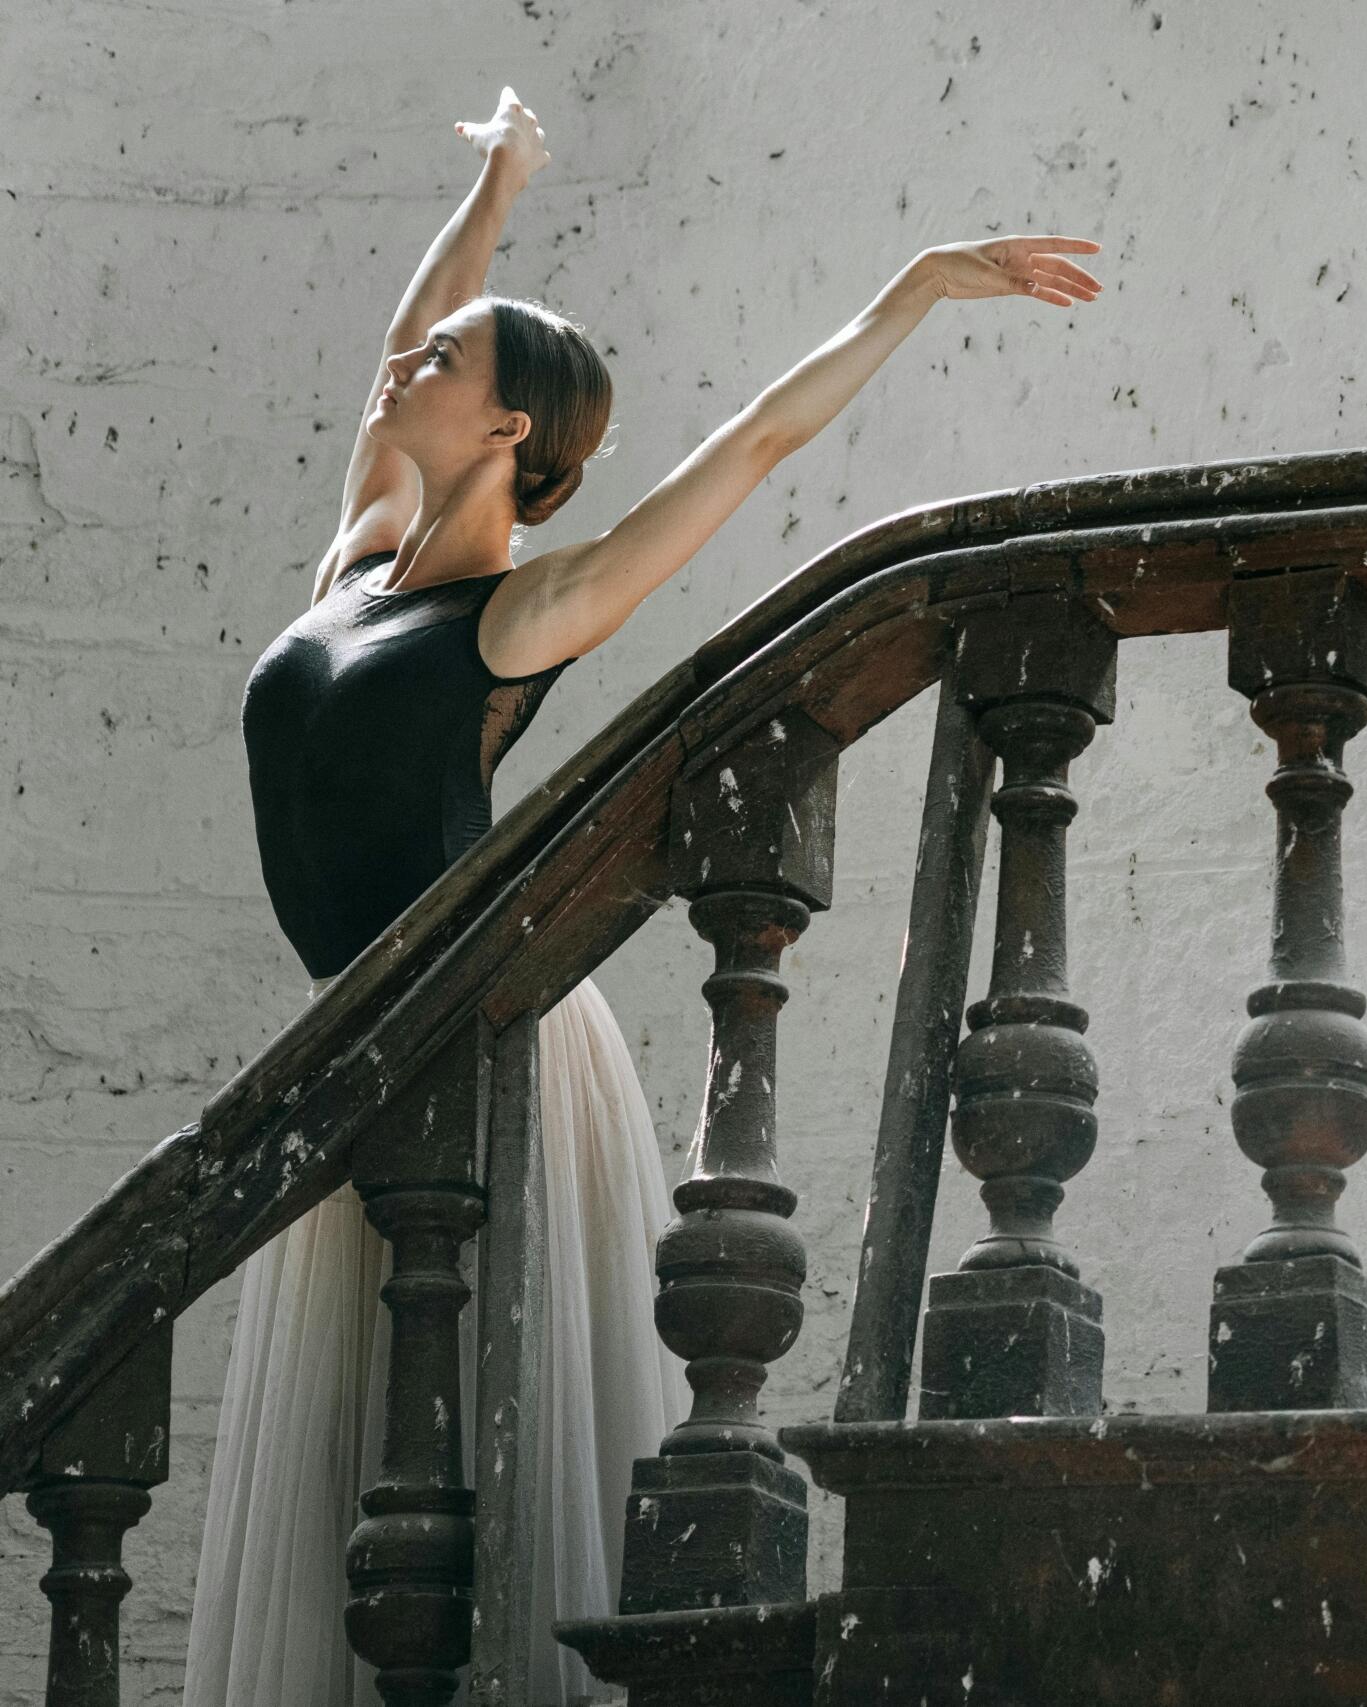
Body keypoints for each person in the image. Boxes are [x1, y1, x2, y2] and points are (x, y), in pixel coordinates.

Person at [188, 86, 1105, 1706]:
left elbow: (744, 447)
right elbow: (399, 336)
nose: (406, 366)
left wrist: (910, 291)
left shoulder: (518, 616)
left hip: (476, 1036)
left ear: (507, 434)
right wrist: (499, 184)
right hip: (353, 1046)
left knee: (463, 1439)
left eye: (447, 365)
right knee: (357, 1478)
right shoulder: (364, 555)